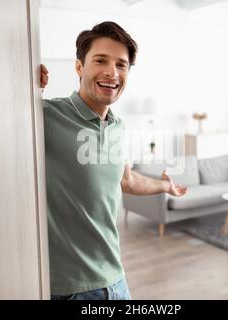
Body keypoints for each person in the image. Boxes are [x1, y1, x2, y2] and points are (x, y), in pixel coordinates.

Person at [40, 21, 187, 300]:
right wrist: (20, 81)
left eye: (121, 65)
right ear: (79, 67)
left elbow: (126, 179)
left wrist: (164, 186)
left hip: (115, 280)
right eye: (100, 60)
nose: (112, 72)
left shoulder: (118, 126)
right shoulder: (46, 116)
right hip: (71, 289)